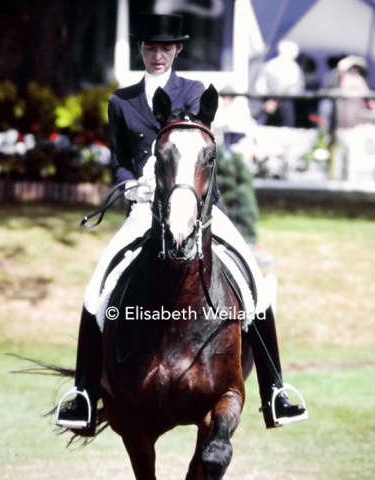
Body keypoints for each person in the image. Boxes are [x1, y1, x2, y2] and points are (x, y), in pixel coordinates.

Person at [56, 13, 307, 434]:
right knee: (97, 288)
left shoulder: (194, 94)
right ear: (141, 50)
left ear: (176, 50)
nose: (157, 56)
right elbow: (118, 160)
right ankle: (83, 394)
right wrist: (130, 185)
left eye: (165, 48)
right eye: (151, 48)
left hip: (198, 208)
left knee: (255, 286)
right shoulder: (121, 101)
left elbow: (202, 150)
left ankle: (275, 391)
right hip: (145, 209)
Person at [254, 40, 305, 128]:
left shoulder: (269, 64)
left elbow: (260, 86)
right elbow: (287, 86)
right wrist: (273, 100)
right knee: (286, 124)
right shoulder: (291, 66)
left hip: (270, 101)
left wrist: (267, 99)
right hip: (282, 102)